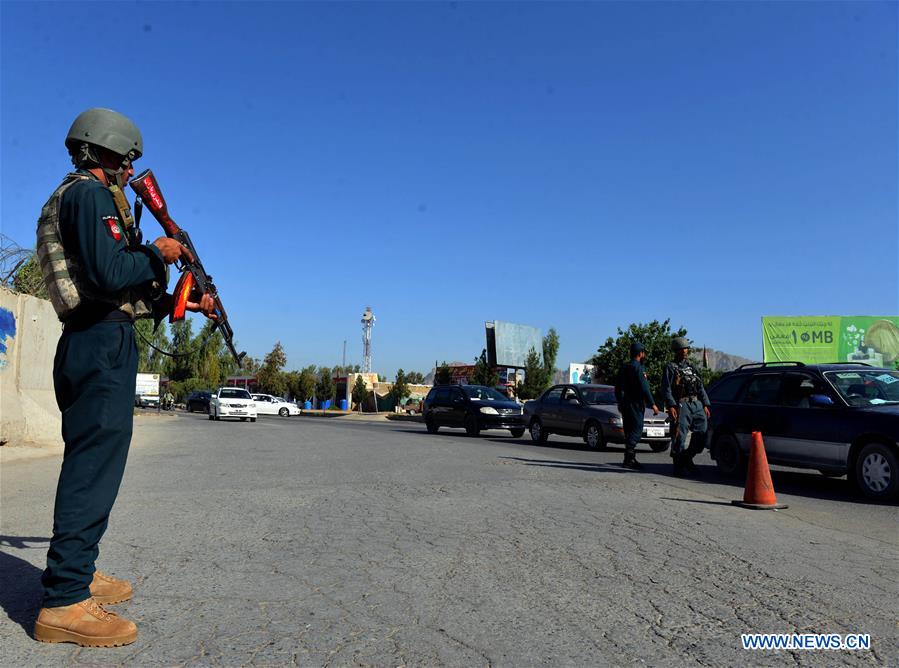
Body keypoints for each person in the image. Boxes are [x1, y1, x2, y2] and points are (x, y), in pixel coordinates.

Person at [33, 108, 216, 647]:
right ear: (109, 152)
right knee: (93, 468)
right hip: (96, 343)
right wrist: (158, 255)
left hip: (101, 336)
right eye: (127, 160)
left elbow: (119, 291)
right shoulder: (88, 196)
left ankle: (78, 570)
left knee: (95, 465)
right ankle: (64, 601)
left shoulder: (83, 197)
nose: (129, 170)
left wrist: (184, 302)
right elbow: (114, 272)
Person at [661, 336, 711, 476]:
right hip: (681, 404)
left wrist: (705, 404)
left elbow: (700, 386)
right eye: (681, 349)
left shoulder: (692, 366)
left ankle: (687, 458)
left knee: (702, 433)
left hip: (696, 404)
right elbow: (666, 389)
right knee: (679, 436)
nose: (685, 351)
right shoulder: (670, 367)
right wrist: (671, 405)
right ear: (676, 350)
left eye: (686, 348)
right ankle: (678, 465)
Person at [614, 342, 659, 469]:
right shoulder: (638, 368)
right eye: (643, 353)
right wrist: (653, 404)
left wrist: (620, 402)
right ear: (640, 353)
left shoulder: (624, 367)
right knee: (637, 429)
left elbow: (617, 387)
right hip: (636, 404)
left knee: (628, 430)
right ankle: (629, 455)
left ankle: (629, 459)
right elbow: (645, 388)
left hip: (625, 404)